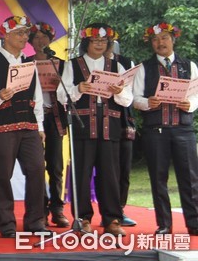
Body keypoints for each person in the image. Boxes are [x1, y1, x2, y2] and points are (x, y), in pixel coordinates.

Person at [0, 16, 50, 238]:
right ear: (5, 35)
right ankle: (6, 223)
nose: (25, 37)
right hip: (2, 126)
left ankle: (36, 221)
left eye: (26, 33)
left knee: (37, 169)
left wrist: (40, 126)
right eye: (20, 33)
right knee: (2, 175)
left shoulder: (29, 64)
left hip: (28, 126)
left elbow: (36, 97)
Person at [57, 23, 132, 236]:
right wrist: (78, 88)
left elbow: (128, 100)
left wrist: (118, 92)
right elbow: (61, 96)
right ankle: (82, 219)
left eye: (103, 40)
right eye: (95, 40)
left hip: (110, 124)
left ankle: (112, 219)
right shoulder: (73, 65)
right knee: (81, 174)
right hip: (83, 124)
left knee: (110, 174)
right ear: (86, 42)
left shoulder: (117, 66)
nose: (99, 44)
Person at [132, 22, 198, 236]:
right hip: (155, 129)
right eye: (156, 40)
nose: (160, 43)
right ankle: (164, 224)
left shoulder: (189, 65)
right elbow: (135, 98)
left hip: (183, 129)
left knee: (190, 178)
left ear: (173, 40)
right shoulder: (144, 67)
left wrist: (191, 104)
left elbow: (196, 94)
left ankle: (194, 223)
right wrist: (147, 103)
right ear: (151, 43)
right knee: (158, 178)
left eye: (165, 38)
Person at [28, 22, 70, 228]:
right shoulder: (25, 63)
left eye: (44, 37)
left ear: (50, 40)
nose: (40, 41)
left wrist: (61, 83)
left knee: (55, 166)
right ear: (30, 41)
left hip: (54, 118)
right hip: (33, 119)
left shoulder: (60, 64)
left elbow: (70, 94)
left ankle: (57, 209)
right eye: (36, 38)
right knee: (36, 167)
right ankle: (40, 210)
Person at [105, 35, 137, 227]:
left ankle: (120, 209)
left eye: (108, 42)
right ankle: (106, 211)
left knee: (123, 168)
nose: (105, 45)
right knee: (107, 169)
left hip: (123, 119)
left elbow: (132, 92)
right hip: (99, 121)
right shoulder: (87, 64)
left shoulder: (125, 63)